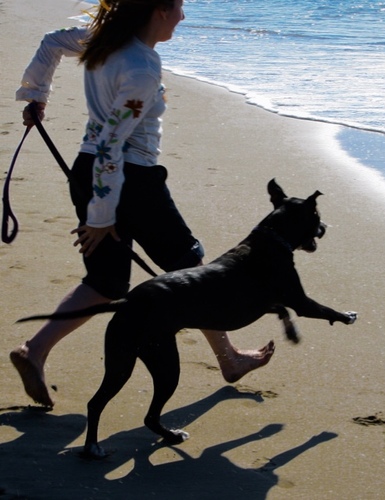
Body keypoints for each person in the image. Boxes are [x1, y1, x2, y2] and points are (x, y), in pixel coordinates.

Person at [10, 0, 274, 408]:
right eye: (179, 7)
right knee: (189, 267)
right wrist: (102, 215)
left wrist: (35, 94)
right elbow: (113, 145)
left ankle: (35, 350)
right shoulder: (141, 68)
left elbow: (50, 43)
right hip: (127, 180)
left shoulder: (105, 40)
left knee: (106, 282)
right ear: (158, 10)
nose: (183, 17)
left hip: (90, 171)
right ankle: (230, 358)